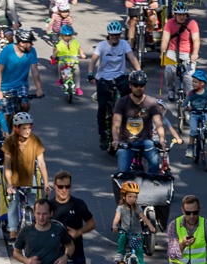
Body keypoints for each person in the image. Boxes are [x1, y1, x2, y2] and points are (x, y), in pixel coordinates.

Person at [87, 21, 142, 151]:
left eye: (117, 35)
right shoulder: (101, 45)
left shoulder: (124, 44)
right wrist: (90, 73)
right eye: (112, 35)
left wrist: (139, 71)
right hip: (104, 78)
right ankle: (102, 135)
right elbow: (93, 60)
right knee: (102, 107)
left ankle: (132, 126)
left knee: (131, 99)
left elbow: (132, 57)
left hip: (119, 77)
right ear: (108, 34)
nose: (115, 37)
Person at [2, 112, 51, 241]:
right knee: (14, 203)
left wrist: (46, 183)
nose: (27, 131)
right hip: (13, 177)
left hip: (29, 177)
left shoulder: (35, 140)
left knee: (33, 204)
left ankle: (34, 228)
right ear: (16, 128)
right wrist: (10, 185)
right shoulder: (9, 141)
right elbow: (7, 165)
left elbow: (42, 163)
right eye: (24, 128)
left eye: (29, 128)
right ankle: (12, 231)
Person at [49, 170, 95, 264]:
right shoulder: (49, 206)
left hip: (76, 257)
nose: (64, 190)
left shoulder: (78, 204)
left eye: (67, 186)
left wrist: (78, 232)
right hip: (55, 258)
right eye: (60, 187)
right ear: (54, 186)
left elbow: (92, 223)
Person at [111, 70, 167, 175]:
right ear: (130, 86)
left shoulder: (152, 102)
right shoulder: (122, 102)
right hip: (126, 142)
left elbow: (158, 123)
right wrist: (115, 139)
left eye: (141, 85)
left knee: (155, 164)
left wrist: (162, 140)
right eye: (135, 85)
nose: (138, 88)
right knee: (122, 173)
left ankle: (152, 183)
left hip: (146, 141)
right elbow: (116, 123)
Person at [0, 28, 44, 131]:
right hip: (6, 86)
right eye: (30, 42)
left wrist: (39, 89)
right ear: (21, 43)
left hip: (21, 84)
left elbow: (34, 71)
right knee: (7, 115)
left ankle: (20, 124)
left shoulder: (32, 51)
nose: (32, 44)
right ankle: (6, 134)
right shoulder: (7, 51)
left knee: (25, 105)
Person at [112, 180, 155, 264]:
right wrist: (114, 225)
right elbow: (117, 217)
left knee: (139, 249)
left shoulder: (137, 208)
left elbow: (144, 218)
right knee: (122, 239)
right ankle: (120, 253)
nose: (132, 199)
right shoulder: (121, 207)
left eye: (134, 197)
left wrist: (151, 226)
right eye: (130, 196)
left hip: (137, 232)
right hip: (125, 231)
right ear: (124, 196)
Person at [158, 2, 200, 102]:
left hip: (187, 53)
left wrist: (195, 54)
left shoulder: (192, 23)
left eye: (184, 15)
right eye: (179, 15)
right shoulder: (169, 23)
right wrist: (163, 53)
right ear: (175, 15)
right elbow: (165, 39)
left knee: (188, 77)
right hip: (172, 51)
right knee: (169, 70)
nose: (182, 17)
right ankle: (171, 90)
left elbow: (196, 40)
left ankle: (189, 98)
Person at [183, 69, 207, 159]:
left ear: (202, 83)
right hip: (194, 114)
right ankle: (190, 147)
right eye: (193, 82)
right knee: (193, 130)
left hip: (203, 113)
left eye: (196, 82)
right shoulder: (191, 93)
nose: (193, 84)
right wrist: (187, 107)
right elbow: (185, 102)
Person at [52, 25, 87, 94]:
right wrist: (54, 56)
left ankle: (77, 87)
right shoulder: (60, 43)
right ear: (62, 35)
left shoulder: (75, 42)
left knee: (77, 72)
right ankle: (60, 78)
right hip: (63, 61)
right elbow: (57, 50)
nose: (67, 37)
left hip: (73, 61)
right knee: (60, 66)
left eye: (69, 35)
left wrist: (82, 54)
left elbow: (79, 48)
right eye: (66, 35)